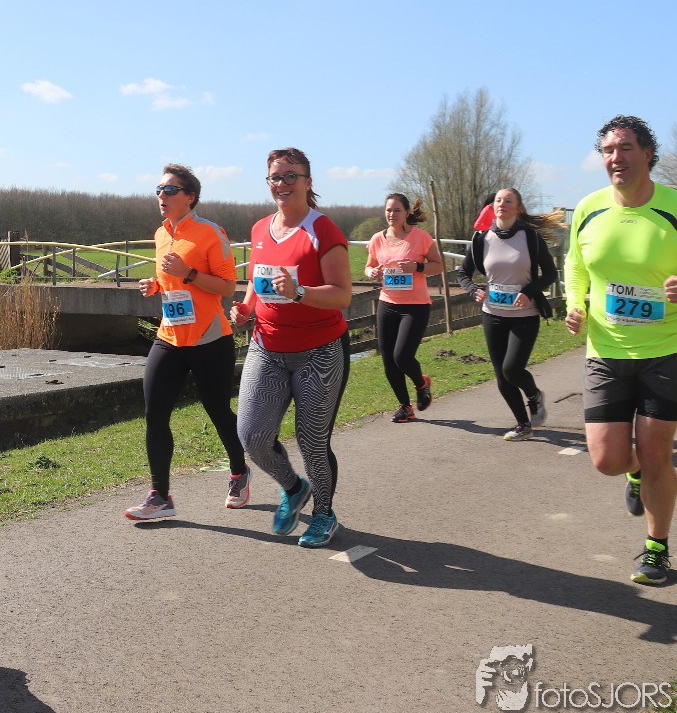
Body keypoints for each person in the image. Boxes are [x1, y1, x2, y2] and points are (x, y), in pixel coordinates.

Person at [564, 115, 677, 586]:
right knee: (607, 460)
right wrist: (576, 303)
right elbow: (575, 264)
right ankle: (632, 471)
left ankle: (656, 548)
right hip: (607, 349)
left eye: (626, 148)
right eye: (608, 150)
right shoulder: (589, 208)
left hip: (669, 349)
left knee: (657, 452)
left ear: (648, 154)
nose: (616, 158)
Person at [229, 148, 353, 548]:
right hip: (266, 346)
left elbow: (342, 295)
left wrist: (300, 292)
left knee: (312, 440)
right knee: (252, 436)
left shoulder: (324, 231)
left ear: (307, 181)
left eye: (290, 176)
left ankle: (324, 514)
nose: (281, 184)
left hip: (319, 351)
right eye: (275, 177)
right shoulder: (260, 229)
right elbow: (257, 279)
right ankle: (294, 487)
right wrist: (246, 307)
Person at [124, 165, 250, 520]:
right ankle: (160, 496)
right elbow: (172, 282)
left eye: (169, 190)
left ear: (190, 196)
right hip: (170, 336)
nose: (161, 196)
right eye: (158, 189)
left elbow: (227, 287)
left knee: (217, 409)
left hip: (209, 337)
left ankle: (239, 472)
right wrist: (156, 285)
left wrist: (189, 273)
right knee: (154, 413)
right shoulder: (160, 233)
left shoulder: (210, 232)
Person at [454, 188, 561, 441]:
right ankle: (523, 424)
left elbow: (550, 274)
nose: (502, 204)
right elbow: (463, 273)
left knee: (512, 369)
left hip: (524, 314)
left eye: (508, 200)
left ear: (518, 207)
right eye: (498, 200)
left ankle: (534, 395)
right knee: (501, 375)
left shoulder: (530, 237)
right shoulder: (482, 238)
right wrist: (474, 290)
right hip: (493, 314)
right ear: (492, 207)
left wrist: (529, 291)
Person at [365, 193, 445, 423]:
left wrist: (417, 267)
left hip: (414, 306)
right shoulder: (377, 239)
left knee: (402, 356)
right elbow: (369, 266)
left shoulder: (420, 237)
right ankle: (405, 407)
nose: (392, 214)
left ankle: (421, 384)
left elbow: (438, 265)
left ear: (407, 212)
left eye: (397, 210)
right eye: (388, 210)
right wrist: (371, 272)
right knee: (388, 361)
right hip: (387, 303)